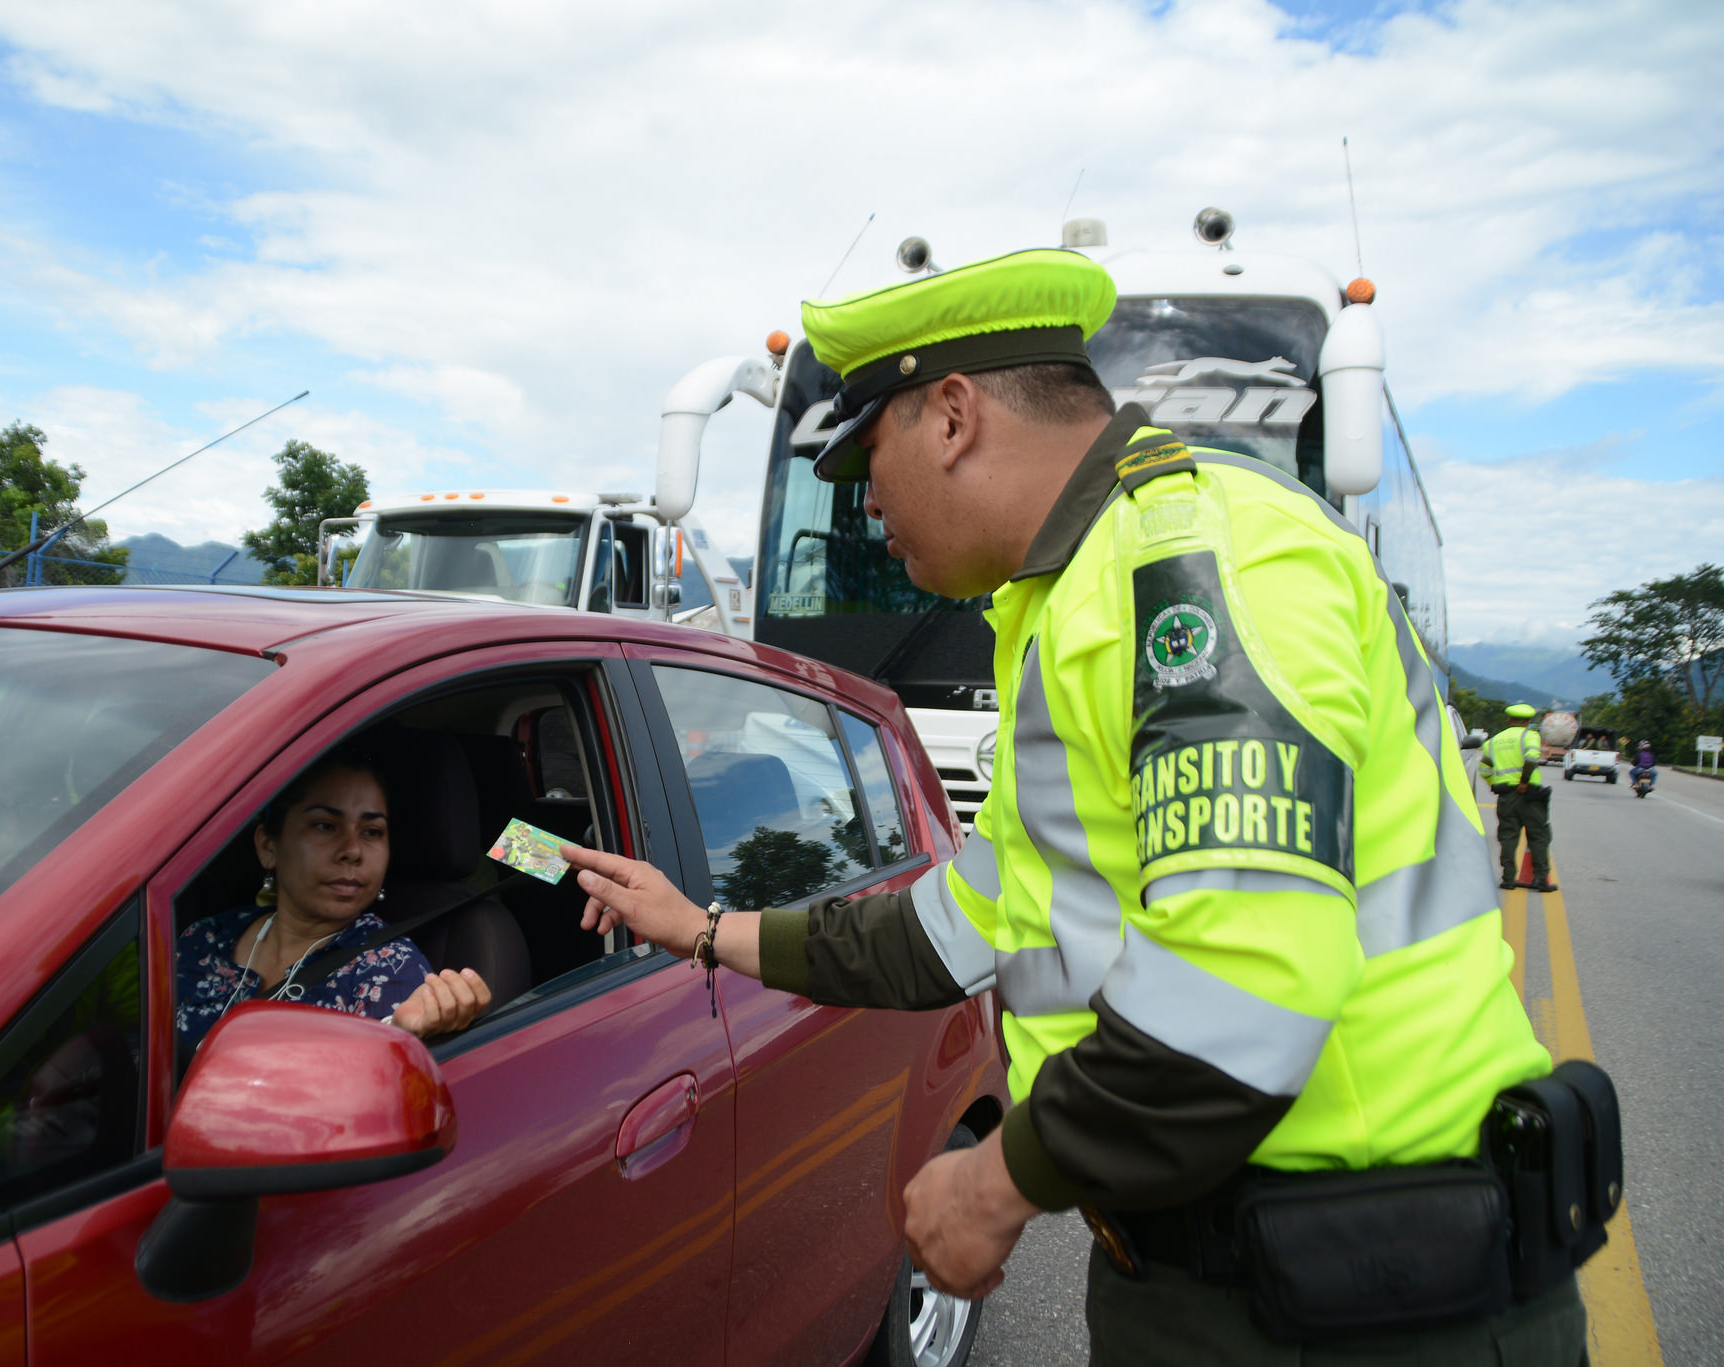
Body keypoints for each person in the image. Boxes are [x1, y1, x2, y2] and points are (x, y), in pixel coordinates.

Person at [564, 248, 1585, 1362]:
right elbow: (952, 922)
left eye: (864, 459)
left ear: (949, 416)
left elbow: (1235, 994)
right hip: (1256, 1269)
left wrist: (995, 1181)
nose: (861, 501)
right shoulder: (1075, 593)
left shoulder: (1195, 572)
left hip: (1365, 1292)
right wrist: (704, 929)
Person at [175, 741, 491, 1057]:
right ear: (268, 846)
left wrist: (398, 1030)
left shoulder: (387, 969)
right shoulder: (204, 938)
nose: (352, 850)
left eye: (371, 831)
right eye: (325, 826)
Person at [1480, 702, 1556, 892]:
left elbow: (1484, 770)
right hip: (1529, 794)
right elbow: (1531, 759)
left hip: (1505, 795)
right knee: (1538, 836)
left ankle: (1507, 879)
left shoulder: (1493, 741)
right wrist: (1523, 781)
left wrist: (1494, 784)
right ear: (1529, 721)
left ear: (1508, 720)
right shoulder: (1530, 736)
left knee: (1507, 836)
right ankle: (1540, 879)